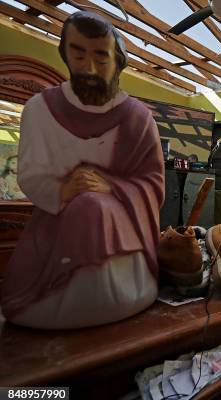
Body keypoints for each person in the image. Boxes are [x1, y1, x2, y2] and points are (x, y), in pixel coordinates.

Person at [0, 11, 164, 329]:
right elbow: (31, 175)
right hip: (55, 238)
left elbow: (154, 182)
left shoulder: (138, 118)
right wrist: (64, 190)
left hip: (126, 254)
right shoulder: (40, 109)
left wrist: (111, 188)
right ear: (66, 54)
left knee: (93, 206)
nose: (89, 68)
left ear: (118, 62)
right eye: (79, 54)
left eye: (101, 57)